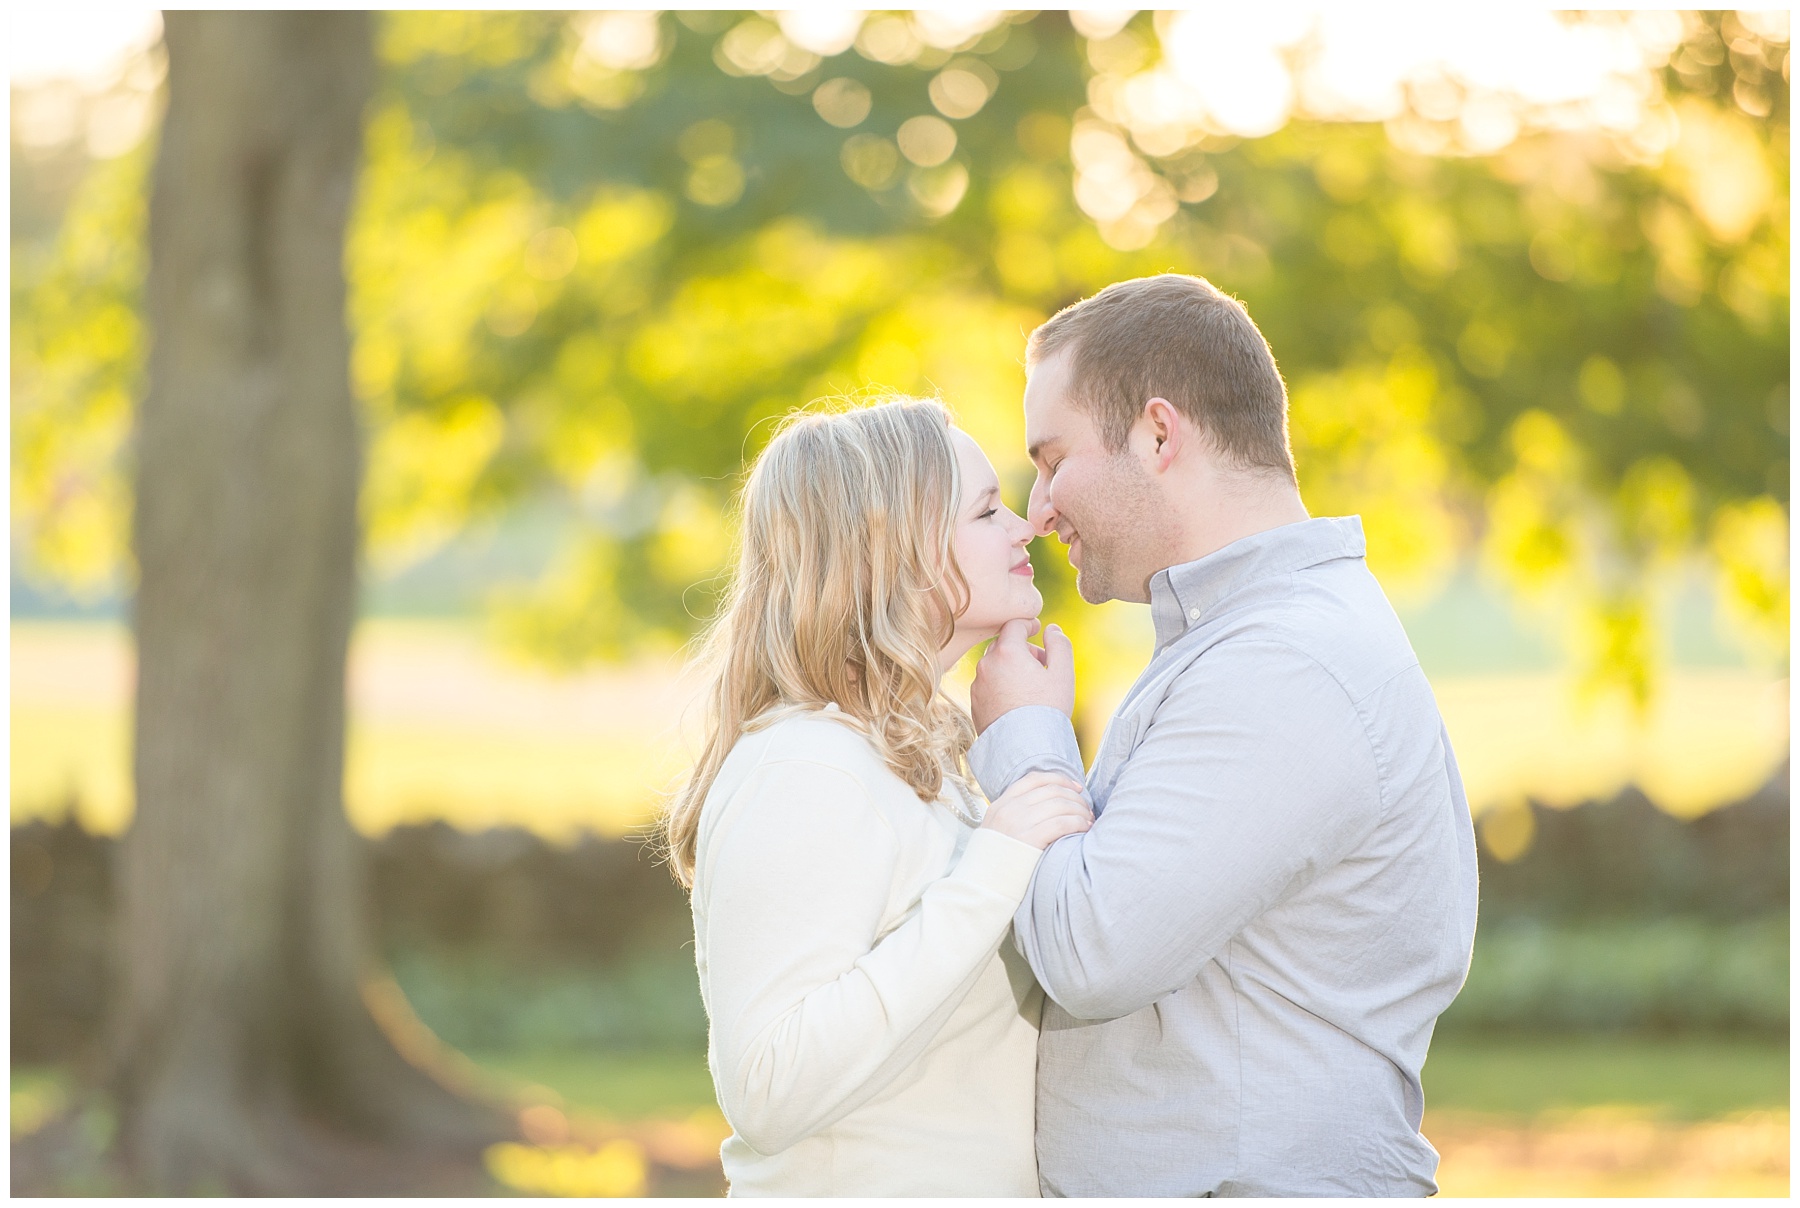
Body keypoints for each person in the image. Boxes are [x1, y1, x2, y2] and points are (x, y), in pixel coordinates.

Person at [968, 274, 1480, 1197]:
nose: (1037, 510)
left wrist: (1025, 735)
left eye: (1052, 459)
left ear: (1159, 435)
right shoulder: (1241, 644)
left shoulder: (1285, 664)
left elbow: (1092, 950)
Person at [662, 398, 1092, 1196]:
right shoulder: (807, 766)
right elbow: (768, 1089)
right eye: (986, 511)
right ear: (890, 552)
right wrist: (994, 867)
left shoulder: (920, 762)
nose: (1024, 528)